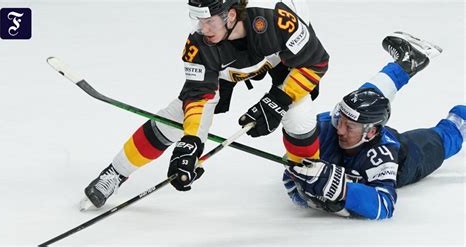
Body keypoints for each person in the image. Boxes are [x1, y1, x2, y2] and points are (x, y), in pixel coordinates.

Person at [81, 0, 330, 209]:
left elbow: (316, 62)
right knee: (175, 118)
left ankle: (309, 177)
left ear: (231, 15)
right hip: (227, 71)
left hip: (283, 62)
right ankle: (115, 172)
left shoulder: (279, 20)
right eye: (198, 20)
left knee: (299, 115)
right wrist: (192, 142)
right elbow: (199, 96)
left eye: (209, 21)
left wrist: (280, 99)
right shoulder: (200, 43)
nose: (203, 28)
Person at [283, 32, 465, 220]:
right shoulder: (326, 126)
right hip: (366, 129)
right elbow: (291, 178)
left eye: (349, 126)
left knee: (446, 136)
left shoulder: (383, 154)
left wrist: (342, 190)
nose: (340, 129)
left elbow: (384, 206)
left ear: (371, 132)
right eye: (339, 119)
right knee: (362, 101)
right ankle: (409, 61)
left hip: (408, 156)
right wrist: (302, 182)